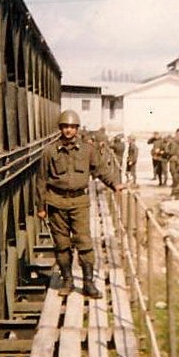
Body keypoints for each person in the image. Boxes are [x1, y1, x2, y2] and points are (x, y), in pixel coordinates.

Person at [36, 110, 125, 299]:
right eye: (65, 127)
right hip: (56, 202)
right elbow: (41, 180)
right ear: (60, 128)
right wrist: (41, 208)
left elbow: (100, 170)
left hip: (79, 202)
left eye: (72, 127)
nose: (68, 130)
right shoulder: (49, 151)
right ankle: (67, 281)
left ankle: (88, 283)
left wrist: (114, 184)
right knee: (62, 245)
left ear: (77, 129)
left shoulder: (88, 150)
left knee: (84, 243)